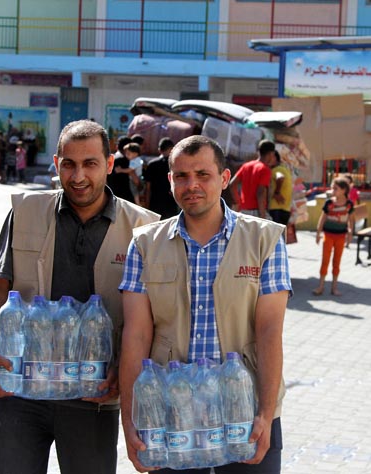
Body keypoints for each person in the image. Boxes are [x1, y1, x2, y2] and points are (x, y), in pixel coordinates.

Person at [0, 120, 159, 474]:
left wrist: (127, 372)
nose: (78, 176)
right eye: (69, 164)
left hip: (94, 393)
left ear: (108, 164)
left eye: (90, 164)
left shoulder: (144, 229)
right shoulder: (26, 211)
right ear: (57, 163)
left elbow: (152, 317)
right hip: (21, 389)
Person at [118, 135, 291, 473]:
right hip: (170, 410)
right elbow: (135, 336)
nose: (191, 185)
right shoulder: (145, 244)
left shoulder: (264, 240)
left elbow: (270, 331)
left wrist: (266, 414)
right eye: (181, 176)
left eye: (203, 175)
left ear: (224, 179)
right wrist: (131, 419)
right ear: (170, 182)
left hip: (245, 408)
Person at [313, 176, 354, 297]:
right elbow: (323, 218)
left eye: (335, 188)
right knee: (325, 260)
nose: (333, 191)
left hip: (341, 237)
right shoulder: (329, 203)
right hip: (328, 235)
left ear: (343, 190)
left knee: (337, 261)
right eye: (332, 188)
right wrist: (318, 232)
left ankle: (334, 287)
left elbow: (351, 220)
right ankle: (320, 286)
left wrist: (350, 233)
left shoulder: (349, 205)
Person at [229, 140, 277, 219]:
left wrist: (238, 202)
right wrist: (262, 216)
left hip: (243, 211)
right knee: (273, 229)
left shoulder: (246, 166)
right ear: (270, 154)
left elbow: (232, 184)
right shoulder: (265, 169)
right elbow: (260, 192)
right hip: (256, 212)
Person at [142, 137, 178, 219]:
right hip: (171, 202)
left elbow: (147, 187)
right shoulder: (175, 165)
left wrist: (147, 204)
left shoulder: (152, 164)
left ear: (159, 150)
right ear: (172, 149)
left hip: (155, 202)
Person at [269, 150, 293, 226]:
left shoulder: (277, 169)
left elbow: (280, 178)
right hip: (286, 209)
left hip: (276, 208)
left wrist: (277, 192)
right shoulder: (285, 169)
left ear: (275, 158)